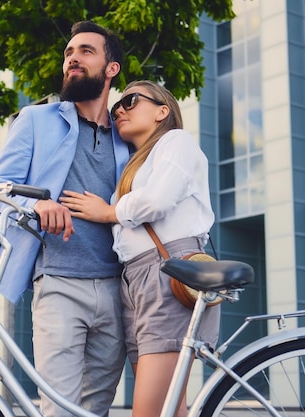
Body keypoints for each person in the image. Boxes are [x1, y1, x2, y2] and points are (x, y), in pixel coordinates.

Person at [0, 21, 130, 417]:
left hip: (118, 289)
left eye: (85, 51)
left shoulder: (127, 135)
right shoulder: (36, 120)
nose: (72, 59)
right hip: (59, 284)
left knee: (94, 410)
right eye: (68, 53)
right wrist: (36, 205)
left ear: (110, 68)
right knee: (59, 411)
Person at [60, 80, 220, 417]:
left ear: (163, 110)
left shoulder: (176, 141)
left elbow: (158, 200)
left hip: (168, 273)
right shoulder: (137, 163)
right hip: (138, 279)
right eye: (117, 105)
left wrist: (107, 212)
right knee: (168, 407)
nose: (118, 109)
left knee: (148, 411)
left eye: (130, 100)